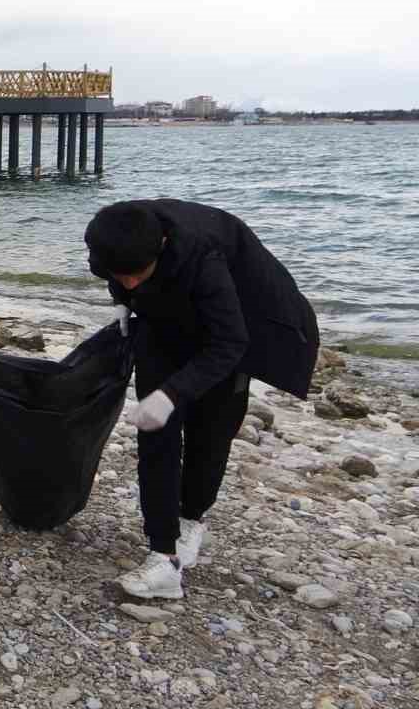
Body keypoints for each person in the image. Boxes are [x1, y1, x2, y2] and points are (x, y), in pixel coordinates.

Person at [85, 200, 319, 601]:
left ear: (160, 245)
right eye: (119, 277)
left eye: (135, 277)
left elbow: (229, 341)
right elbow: (121, 275)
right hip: (164, 319)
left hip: (241, 324)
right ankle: (163, 559)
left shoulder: (203, 254)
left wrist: (173, 393)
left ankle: (192, 518)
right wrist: (124, 302)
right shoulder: (113, 244)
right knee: (155, 432)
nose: (129, 283)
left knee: (211, 430)